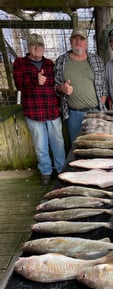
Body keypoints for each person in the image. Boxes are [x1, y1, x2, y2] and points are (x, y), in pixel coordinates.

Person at [13, 33, 66, 186]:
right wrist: (34, 81)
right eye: (34, 45)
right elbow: (19, 85)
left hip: (52, 111)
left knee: (58, 144)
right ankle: (46, 171)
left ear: (43, 47)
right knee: (40, 145)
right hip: (34, 113)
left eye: (40, 45)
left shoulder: (50, 64)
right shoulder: (20, 63)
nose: (37, 48)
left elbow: (56, 85)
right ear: (28, 47)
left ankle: (61, 170)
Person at [54, 27, 108, 143]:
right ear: (70, 41)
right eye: (75, 38)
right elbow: (55, 86)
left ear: (86, 43)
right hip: (73, 114)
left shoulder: (96, 60)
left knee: (99, 145)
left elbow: (104, 86)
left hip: (96, 112)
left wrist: (100, 107)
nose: (78, 41)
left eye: (81, 39)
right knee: (78, 147)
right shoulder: (61, 61)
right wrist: (62, 88)